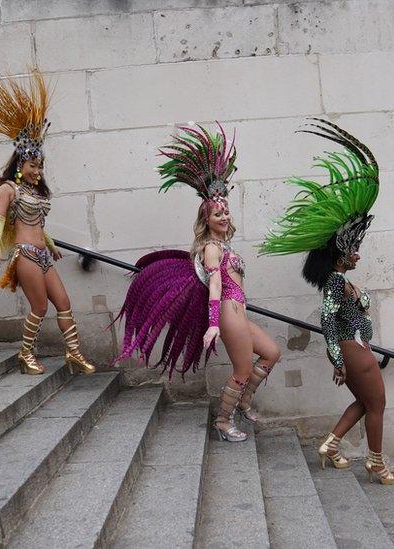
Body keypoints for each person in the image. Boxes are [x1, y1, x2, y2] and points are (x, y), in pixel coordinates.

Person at [116, 124, 280, 442]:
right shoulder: (211, 248)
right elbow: (215, 284)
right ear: (206, 218)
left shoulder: (226, 245)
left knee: (271, 352)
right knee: (242, 371)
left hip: (239, 311)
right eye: (217, 213)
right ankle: (223, 421)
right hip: (228, 313)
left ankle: (244, 401)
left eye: (226, 211)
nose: (224, 216)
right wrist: (214, 323)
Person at [260, 119, 394, 484]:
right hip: (353, 349)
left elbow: (354, 308)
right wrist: (338, 361)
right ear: (340, 256)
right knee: (378, 405)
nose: (358, 255)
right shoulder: (336, 285)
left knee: (367, 403)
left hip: (355, 346)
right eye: (354, 250)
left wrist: (359, 299)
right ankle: (377, 462)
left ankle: (332, 446)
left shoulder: (342, 281)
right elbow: (327, 321)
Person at [0, 70, 95, 376]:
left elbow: (39, 224)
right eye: (31, 165)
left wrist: (51, 246)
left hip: (42, 254)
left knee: (64, 302)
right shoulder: (8, 189)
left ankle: (74, 353)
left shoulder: (34, 191)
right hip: (24, 254)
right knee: (40, 308)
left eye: (39, 165)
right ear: (19, 164)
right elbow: (0, 220)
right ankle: (25, 354)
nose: (36, 170)